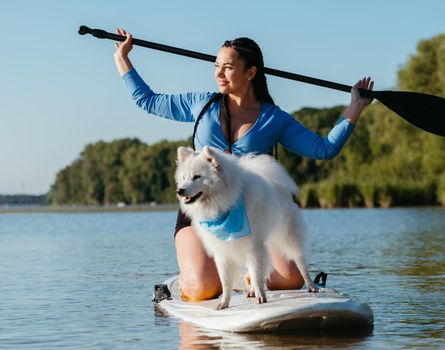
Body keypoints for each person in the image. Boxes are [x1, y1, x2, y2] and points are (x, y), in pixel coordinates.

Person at [113, 28, 374, 301]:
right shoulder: (200, 105)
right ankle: (206, 274)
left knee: (289, 279)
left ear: (250, 73)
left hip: (253, 211)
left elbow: (324, 149)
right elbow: (148, 101)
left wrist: (355, 106)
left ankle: (245, 271)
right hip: (203, 211)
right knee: (201, 288)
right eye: (216, 66)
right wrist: (122, 58)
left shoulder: (275, 119)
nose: (218, 74)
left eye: (227, 67)